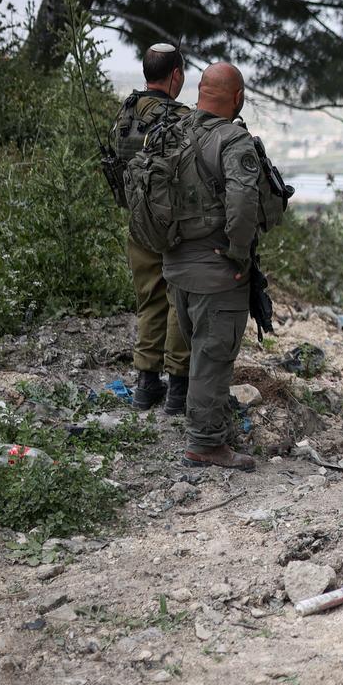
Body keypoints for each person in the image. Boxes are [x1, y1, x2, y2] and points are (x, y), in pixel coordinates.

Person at [162, 63, 278, 471]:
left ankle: (205, 427)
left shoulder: (172, 131)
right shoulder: (233, 140)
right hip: (216, 271)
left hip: (176, 265)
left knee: (199, 351)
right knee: (213, 357)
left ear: (199, 91)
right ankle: (205, 443)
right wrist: (239, 253)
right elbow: (243, 204)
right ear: (238, 97)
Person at [111, 43, 191, 412]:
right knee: (179, 300)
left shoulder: (126, 111)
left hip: (138, 220)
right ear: (176, 74)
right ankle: (178, 388)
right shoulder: (181, 117)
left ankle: (145, 383)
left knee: (149, 299)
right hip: (173, 224)